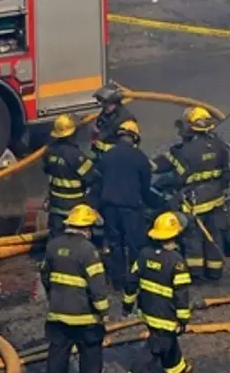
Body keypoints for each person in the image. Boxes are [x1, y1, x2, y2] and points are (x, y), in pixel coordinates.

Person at [151, 106, 227, 280]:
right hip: (217, 200)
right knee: (214, 235)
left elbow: (176, 177)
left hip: (195, 202)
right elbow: (226, 172)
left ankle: (196, 274)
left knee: (194, 238)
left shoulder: (184, 151)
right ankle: (215, 273)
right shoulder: (219, 145)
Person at [40, 204, 109, 373]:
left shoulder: (53, 246)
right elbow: (97, 287)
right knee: (90, 357)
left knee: (57, 355)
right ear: (87, 228)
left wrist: (54, 297)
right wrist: (103, 312)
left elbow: (45, 277)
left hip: (57, 315)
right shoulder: (88, 251)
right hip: (85, 319)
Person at [123, 211, 194, 373]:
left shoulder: (143, 255)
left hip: (148, 311)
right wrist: (183, 319)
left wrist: (127, 305)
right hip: (167, 316)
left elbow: (131, 282)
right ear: (175, 235)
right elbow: (181, 294)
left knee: (168, 342)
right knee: (155, 347)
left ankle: (177, 368)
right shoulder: (177, 262)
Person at [96, 119, 159, 290]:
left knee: (114, 244)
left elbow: (99, 180)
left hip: (109, 208)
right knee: (134, 244)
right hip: (131, 208)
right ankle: (134, 280)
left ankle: (117, 280)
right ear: (135, 138)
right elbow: (145, 187)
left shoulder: (107, 156)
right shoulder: (140, 157)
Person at [43, 114, 99, 238]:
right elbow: (91, 177)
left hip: (55, 204)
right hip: (74, 205)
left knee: (55, 236)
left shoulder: (49, 151)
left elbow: (47, 170)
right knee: (75, 239)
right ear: (72, 134)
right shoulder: (76, 155)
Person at [91, 82, 137, 159]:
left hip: (120, 162)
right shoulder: (106, 115)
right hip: (104, 158)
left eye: (105, 103)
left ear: (115, 102)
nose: (102, 105)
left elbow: (125, 150)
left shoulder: (127, 123)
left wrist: (102, 146)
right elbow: (99, 129)